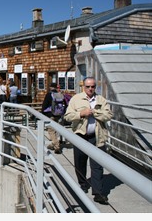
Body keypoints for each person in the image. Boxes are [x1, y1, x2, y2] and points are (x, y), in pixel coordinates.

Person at [64, 77, 112, 205]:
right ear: (83, 87)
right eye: (88, 86)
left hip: (97, 137)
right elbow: (68, 116)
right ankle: (83, 183)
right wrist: (81, 114)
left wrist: (95, 113)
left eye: (93, 86)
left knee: (97, 165)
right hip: (80, 136)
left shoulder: (100, 100)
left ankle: (98, 193)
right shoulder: (76, 99)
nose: (90, 89)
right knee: (80, 162)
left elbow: (108, 115)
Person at [42, 82, 66, 154]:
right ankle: (52, 144)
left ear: (50, 87)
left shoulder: (49, 95)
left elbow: (44, 105)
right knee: (56, 131)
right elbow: (65, 104)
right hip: (59, 115)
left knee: (51, 131)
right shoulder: (60, 95)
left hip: (50, 115)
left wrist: (43, 113)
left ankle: (57, 146)